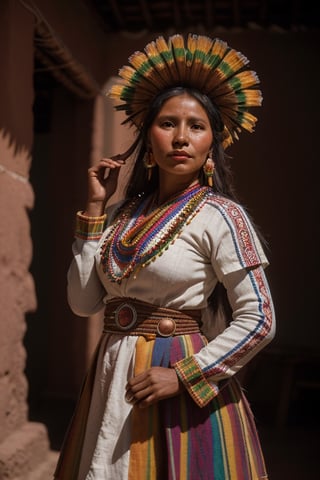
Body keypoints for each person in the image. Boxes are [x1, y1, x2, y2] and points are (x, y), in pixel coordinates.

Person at [54, 33, 275, 480]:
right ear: (147, 137)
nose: (181, 137)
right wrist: (95, 208)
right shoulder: (120, 215)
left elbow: (260, 317)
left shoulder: (222, 216)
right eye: (168, 123)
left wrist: (185, 375)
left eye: (196, 127)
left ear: (212, 144)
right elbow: (83, 303)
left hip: (174, 383)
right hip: (110, 375)